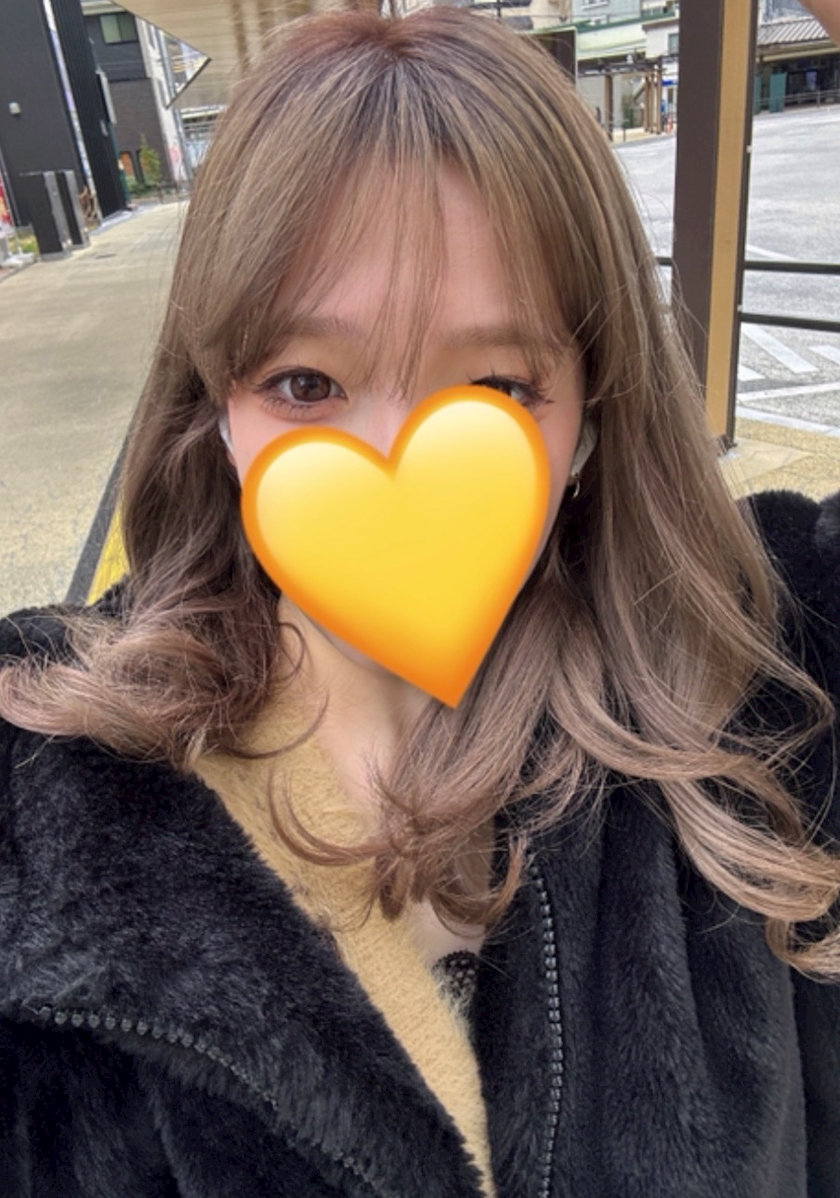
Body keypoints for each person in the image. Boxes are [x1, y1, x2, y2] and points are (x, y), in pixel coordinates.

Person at [1, 9, 838, 1196]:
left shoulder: (757, 674)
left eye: (494, 386)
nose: (395, 453)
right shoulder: (41, 783)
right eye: (306, 381)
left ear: (592, 414)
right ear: (217, 410)